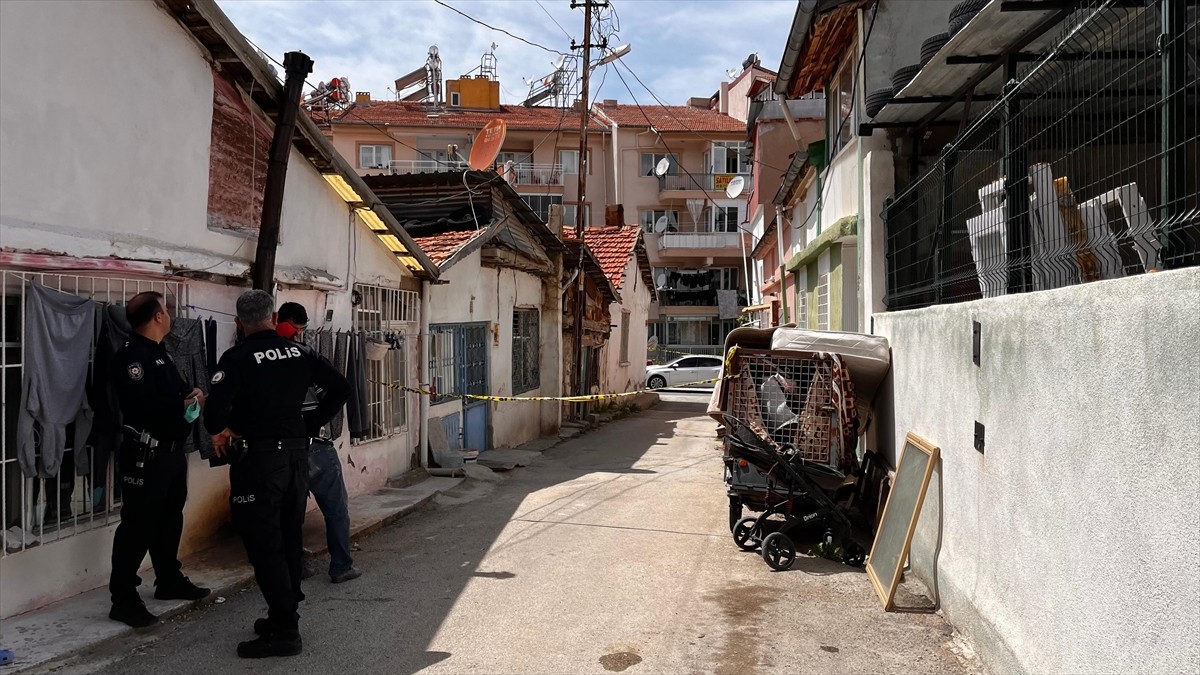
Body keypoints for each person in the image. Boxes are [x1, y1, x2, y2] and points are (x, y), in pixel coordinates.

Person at [204, 290, 350, 659]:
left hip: (260, 462)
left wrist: (228, 425)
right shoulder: (300, 352)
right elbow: (341, 388)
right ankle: (283, 613)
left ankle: (285, 630)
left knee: (262, 542)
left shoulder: (236, 358)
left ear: (239, 323)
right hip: (297, 458)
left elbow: (214, 416)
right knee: (287, 535)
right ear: (272, 318)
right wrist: (308, 422)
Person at [108, 291, 210, 628]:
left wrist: (192, 394)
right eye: (166, 310)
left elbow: (175, 391)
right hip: (145, 455)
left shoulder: (159, 353)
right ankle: (122, 598)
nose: (169, 315)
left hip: (170, 453)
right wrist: (178, 406)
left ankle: (168, 579)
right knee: (138, 526)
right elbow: (141, 407)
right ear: (156, 317)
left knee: (169, 519)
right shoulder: (132, 357)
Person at [276, 302, 361, 584]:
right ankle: (340, 566)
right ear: (298, 328)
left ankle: (296, 566)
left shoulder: (258, 355)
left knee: (291, 512)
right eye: (299, 330)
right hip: (315, 447)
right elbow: (341, 388)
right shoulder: (306, 357)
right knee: (335, 508)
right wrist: (315, 421)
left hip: (281, 449)